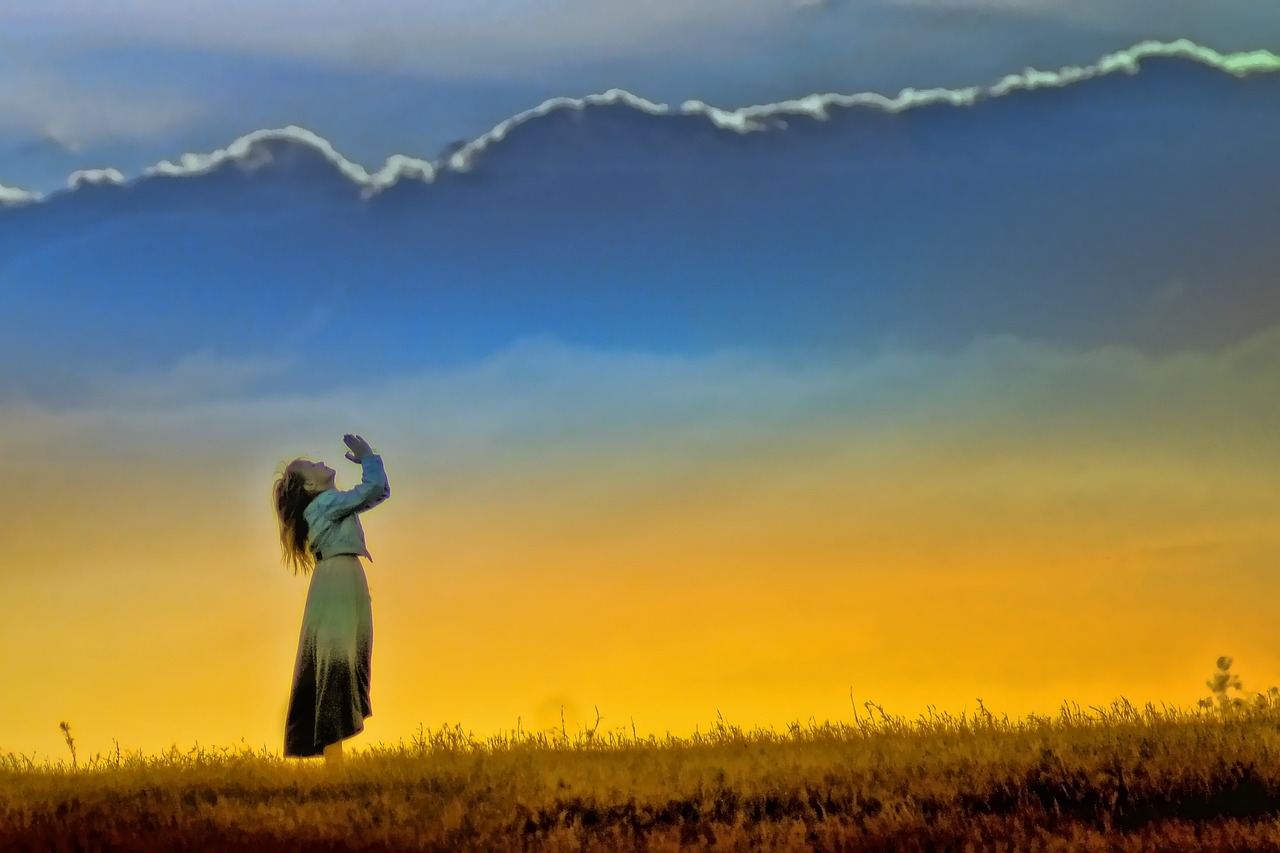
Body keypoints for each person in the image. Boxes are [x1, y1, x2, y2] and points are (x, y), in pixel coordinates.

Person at [272, 434, 391, 768]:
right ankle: (334, 763)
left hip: (343, 578)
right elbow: (372, 490)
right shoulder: (324, 505)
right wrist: (368, 457)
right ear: (310, 485)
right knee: (337, 661)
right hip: (339, 580)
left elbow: (378, 492)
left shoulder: (328, 504)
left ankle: (333, 760)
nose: (319, 462)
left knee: (339, 660)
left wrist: (371, 463)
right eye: (311, 465)